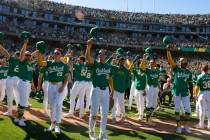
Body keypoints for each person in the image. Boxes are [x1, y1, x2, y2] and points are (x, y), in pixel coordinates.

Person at [85, 39, 114, 140]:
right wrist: (88, 46)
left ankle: (102, 133)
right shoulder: (95, 64)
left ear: (106, 56)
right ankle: (91, 132)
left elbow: (110, 79)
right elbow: (88, 57)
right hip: (96, 89)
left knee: (105, 113)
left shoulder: (108, 66)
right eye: (100, 55)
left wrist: (112, 90)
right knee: (94, 112)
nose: (101, 56)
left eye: (103, 55)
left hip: (105, 90)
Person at [38, 47, 69, 134]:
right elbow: (40, 63)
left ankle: (57, 125)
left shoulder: (64, 65)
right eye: (55, 53)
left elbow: (66, 77)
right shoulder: (49, 63)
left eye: (58, 53)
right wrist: (39, 52)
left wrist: (63, 86)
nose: (55, 54)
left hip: (60, 86)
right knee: (52, 105)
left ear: (61, 55)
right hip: (51, 85)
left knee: (56, 104)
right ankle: (53, 124)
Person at [166, 45, 192, 134]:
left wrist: (192, 94)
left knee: (188, 110)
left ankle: (186, 125)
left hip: (185, 92)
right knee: (177, 110)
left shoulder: (189, 72)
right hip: (177, 92)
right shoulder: (176, 69)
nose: (181, 63)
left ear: (186, 63)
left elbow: (190, 84)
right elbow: (170, 60)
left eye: (182, 62)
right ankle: (179, 126)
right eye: (180, 62)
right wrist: (168, 51)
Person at [15, 40, 36, 126]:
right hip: (22, 82)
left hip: (27, 83)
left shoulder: (30, 64)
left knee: (22, 101)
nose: (28, 56)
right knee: (23, 102)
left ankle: (17, 117)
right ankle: (20, 119)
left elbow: (33, 55)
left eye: (29, 55)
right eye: (26, 55)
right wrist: (25, 44)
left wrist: (37, 51)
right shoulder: (22, 62)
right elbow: (22, 53)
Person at [0, 43, 21, 116]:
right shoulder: (22, 62)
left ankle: (9, 112)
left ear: (15, 55)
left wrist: (1, 46)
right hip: (18, 79)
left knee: (10, 96)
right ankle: (19, 112)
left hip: (11, 78)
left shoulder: (12, 59)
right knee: (18, 96)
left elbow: (5, 52)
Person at [140, 55, 160, 126]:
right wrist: (143, 59)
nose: (151, 63)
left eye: (153, 62)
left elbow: (157, 80)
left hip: (155, 88)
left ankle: (149, 118)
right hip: (150, 87)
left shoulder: (157, 70)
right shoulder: (147, 70)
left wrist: (159, 88)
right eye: (150, 62)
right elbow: (141, 68)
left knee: (154, 104)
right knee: (149, 104)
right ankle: (147, 120)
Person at [111, 55, 130, 123]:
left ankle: (124, 116)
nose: (122, 62)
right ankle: (113, 118)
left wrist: (124, 88)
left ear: (124, 62)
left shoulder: (126, 70)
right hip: (114, 89)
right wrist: (112, 59)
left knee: (121, 105)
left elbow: (128, 82)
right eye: (121, 61)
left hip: (121, 91)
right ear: (119, 61)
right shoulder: (115, 68)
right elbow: (108, 66)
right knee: (113, 104)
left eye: (123, 61)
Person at [194, 65, 210, 129]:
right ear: (207, 69)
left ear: (202, 69)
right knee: (209, 110)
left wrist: (195, 94)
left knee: (202, 110)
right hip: (209, 93)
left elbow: (197, 87)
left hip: (202, 93)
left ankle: (201, 125)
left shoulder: (200, 76)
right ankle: (209, 125)